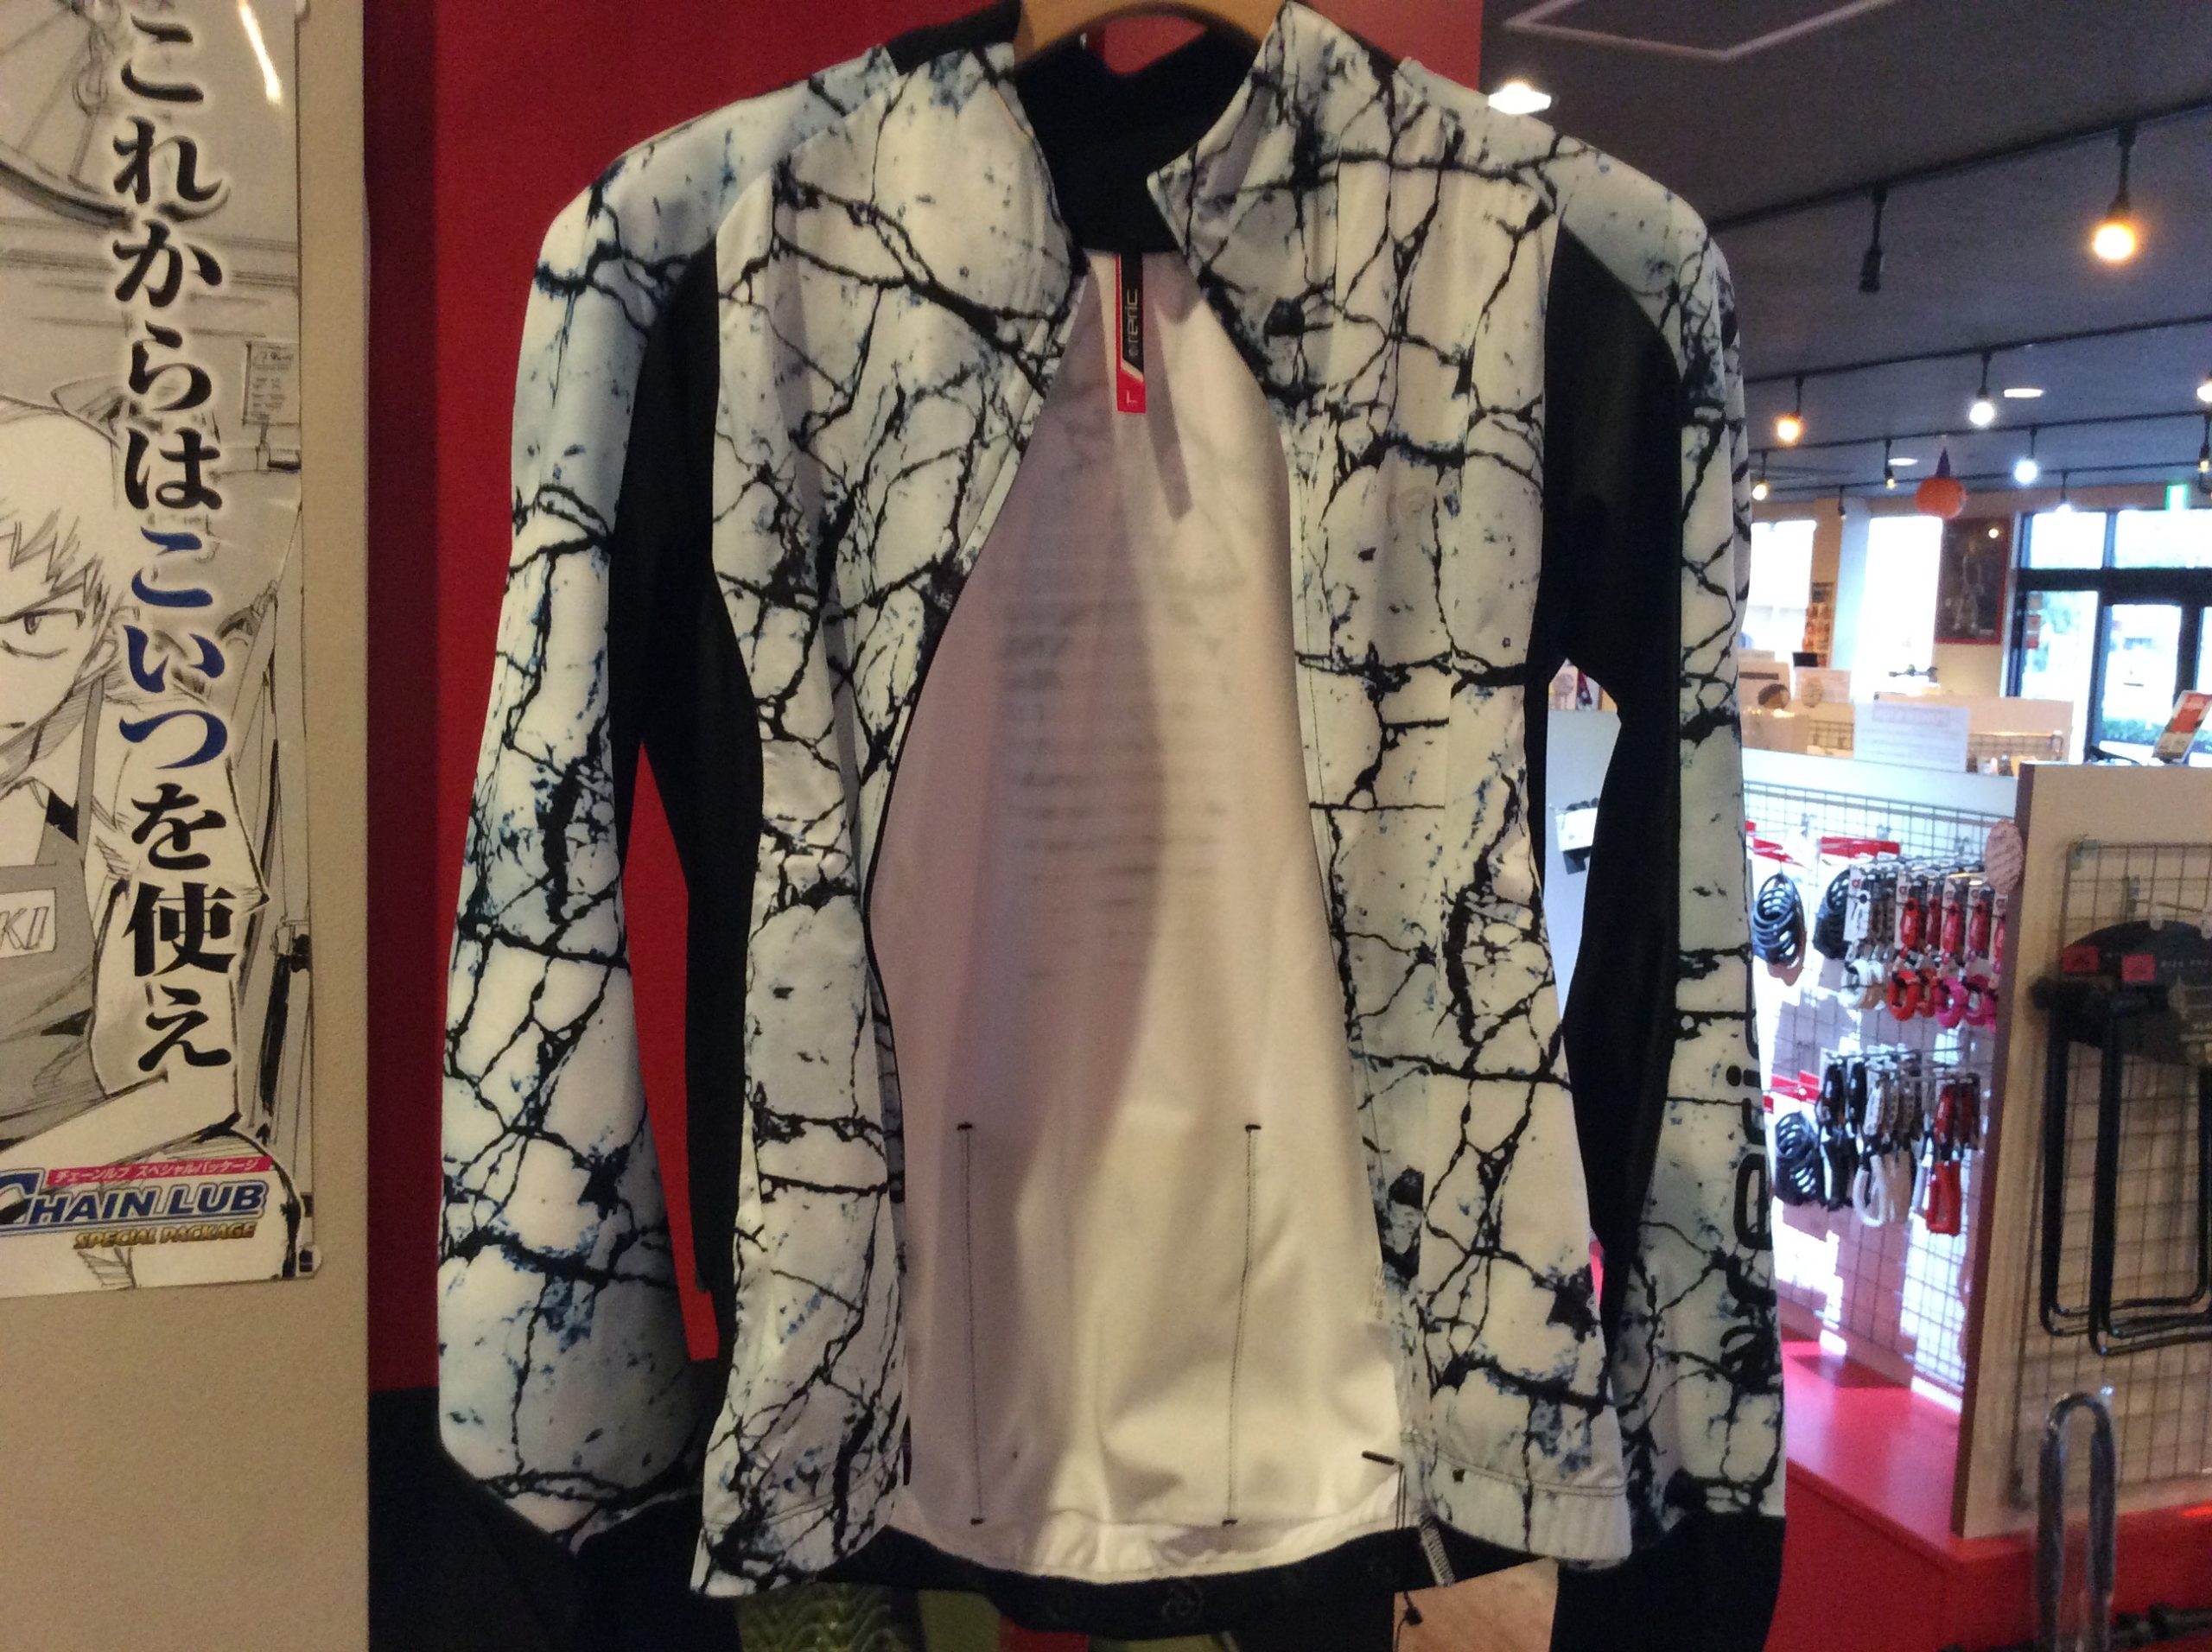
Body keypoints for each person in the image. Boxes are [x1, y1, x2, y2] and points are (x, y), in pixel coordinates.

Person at [0, 397, 283, 1288]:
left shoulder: (157, 763)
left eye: (30, 627)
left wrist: (17, 1190)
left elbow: (190, 1084)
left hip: (74, 1171)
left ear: (97, 624)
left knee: (245, 1206)